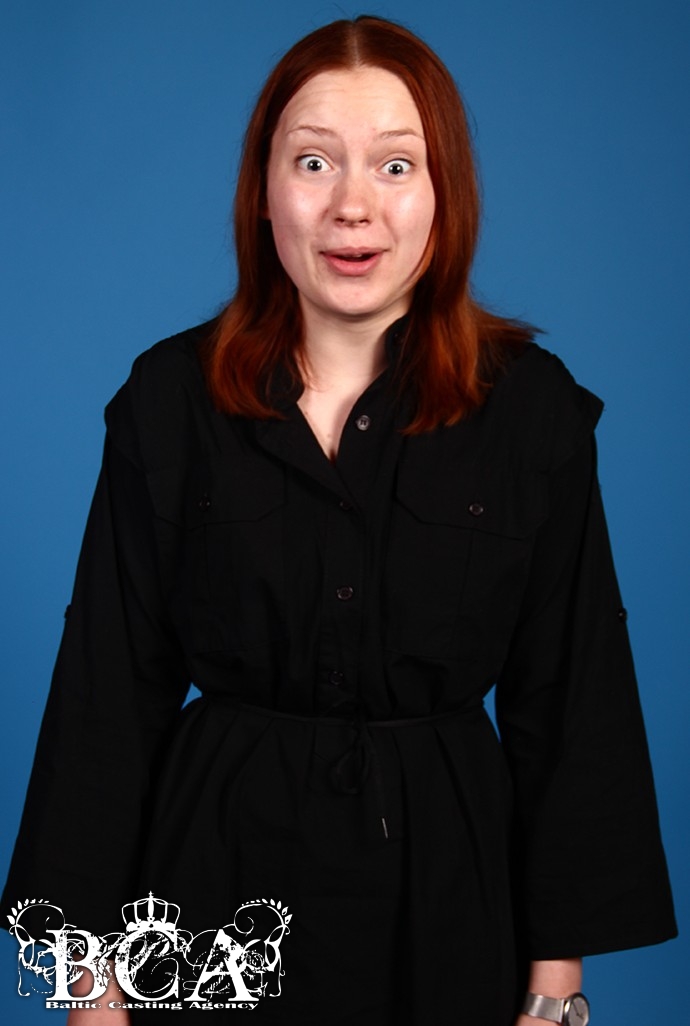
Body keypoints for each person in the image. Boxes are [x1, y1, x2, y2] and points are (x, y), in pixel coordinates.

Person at [1, 14, 677, 1026]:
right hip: (209, 902)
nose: (351, 205)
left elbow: (573, 698)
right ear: (263, 191)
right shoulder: (168, 400)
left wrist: (554, 995)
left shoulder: (530, 413)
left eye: (396, 166)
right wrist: (87, 985)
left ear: (444, 192)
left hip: (449, 908)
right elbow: (104, 694)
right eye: (313, 162)